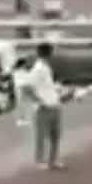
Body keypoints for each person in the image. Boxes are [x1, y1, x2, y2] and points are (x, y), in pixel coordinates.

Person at [26, 42, 64, 170]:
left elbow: (47, 87)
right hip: (44, 107)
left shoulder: (47, 68)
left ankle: (52, 160)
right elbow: (27, 88)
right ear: (49, 54)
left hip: (54, 104)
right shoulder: (37, 69)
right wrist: (39, 102)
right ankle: (40, 160)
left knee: (55, 135)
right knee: (41, 135)